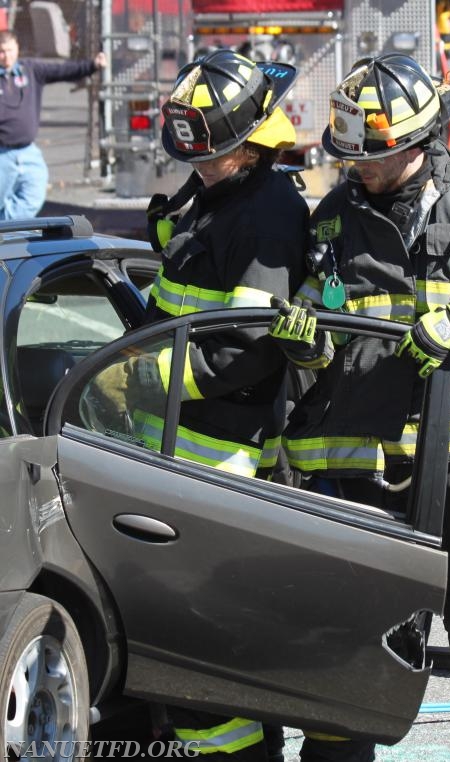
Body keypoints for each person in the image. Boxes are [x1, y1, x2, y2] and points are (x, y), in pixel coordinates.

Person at [269, 53, 450, 762]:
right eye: (351, 157)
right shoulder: (336, 217)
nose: (357, 169)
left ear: (417, 143)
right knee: (350, 654)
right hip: (366, 464)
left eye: (370, 157)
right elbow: (328, 324)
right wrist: (306, 348)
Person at [96, 49, 309, 761]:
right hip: (170, 463)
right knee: (178, 659)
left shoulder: (271, 214)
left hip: (221, 464)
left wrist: (143, 381)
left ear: (252, 141)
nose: (203, 164)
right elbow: (175, 309)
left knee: (206, 666)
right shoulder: (213, 194)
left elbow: (246, 347)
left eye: (214, 155)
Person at [0, 29, 106, 220]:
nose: (5, 56)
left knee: (33, 195)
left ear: (17, 48)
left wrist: (92, 65)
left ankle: (5, 226)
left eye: (9, 50)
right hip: (2, 154)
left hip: (27, 151)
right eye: (1, 51)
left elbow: (61, 71)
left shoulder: (30, 70)